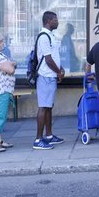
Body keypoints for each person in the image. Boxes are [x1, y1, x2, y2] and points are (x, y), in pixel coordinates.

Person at [33, 11, 65, 150]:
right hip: (45, 76)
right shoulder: (44, 37)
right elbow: (48, 59)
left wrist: (60, 69)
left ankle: (49, 135)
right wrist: (58, 72)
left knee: (48, 107)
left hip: (50, 76)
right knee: (43, 107)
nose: (57, 22)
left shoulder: (50, 35)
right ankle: (38, 140)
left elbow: (54, 56)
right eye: (55, 20)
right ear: (48, 21)